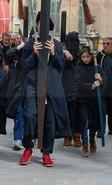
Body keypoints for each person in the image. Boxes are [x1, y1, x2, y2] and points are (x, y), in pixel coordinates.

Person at [19, 12, 71, 167]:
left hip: (51, 84)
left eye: (46, 23)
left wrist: (53, 53)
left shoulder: (56, 44)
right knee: (30, 115)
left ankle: (47, 153)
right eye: (40, 22)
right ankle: (28, 148)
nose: (43, 26)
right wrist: (34, 54)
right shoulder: (30, 43)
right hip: (32, 83)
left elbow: (61, 66)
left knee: (49, 119)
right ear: (36, 25)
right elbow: (24, 66)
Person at [74, 46, 107, 157]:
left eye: (87, 56)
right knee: (84, 122)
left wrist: (100, 80)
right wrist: (91, 85)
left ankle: (92, 138)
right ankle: (85, 144)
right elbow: (78, 82)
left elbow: (105, 80)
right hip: (83, 98)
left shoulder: (97, 67)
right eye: (83, 57)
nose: (86, 59)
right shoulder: (78, 68)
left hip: (94, 99)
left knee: (93, 121)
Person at [6, 33, 26, 151]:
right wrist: (20, 46)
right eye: (17, 39)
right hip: (16, 86)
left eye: (20, 39)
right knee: (18, 112)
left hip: (27, 85)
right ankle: (18, 138)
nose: (18, 40)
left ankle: (22, 137)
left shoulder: (28, 53)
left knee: (23, 113)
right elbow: (9, 54)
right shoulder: (14, 52)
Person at [61, 31, 81, 147]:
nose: (73, 44)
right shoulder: (64, 54)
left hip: (77, 86)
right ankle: (67, 135)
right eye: (70, 41)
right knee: (66, 112)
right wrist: (64, 51)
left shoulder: (80, 55)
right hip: (65, 86)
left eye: (75, 42)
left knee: (76, 112)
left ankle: (76, 135)